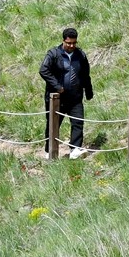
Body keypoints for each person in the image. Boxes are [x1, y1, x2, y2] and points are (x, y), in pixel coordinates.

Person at [39, 27, 95, 159]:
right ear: (63, 41)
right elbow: (43, 70)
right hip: (56, 98)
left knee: (78, 122)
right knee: (53, 124)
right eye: (69, 43)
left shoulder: (80, 55)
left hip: (75, 97)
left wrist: (88, 91)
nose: (71, 46)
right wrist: (57, 86)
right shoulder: (53, 54)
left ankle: (75, 149)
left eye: (74, 43)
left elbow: (85, 74)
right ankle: (49, 151)